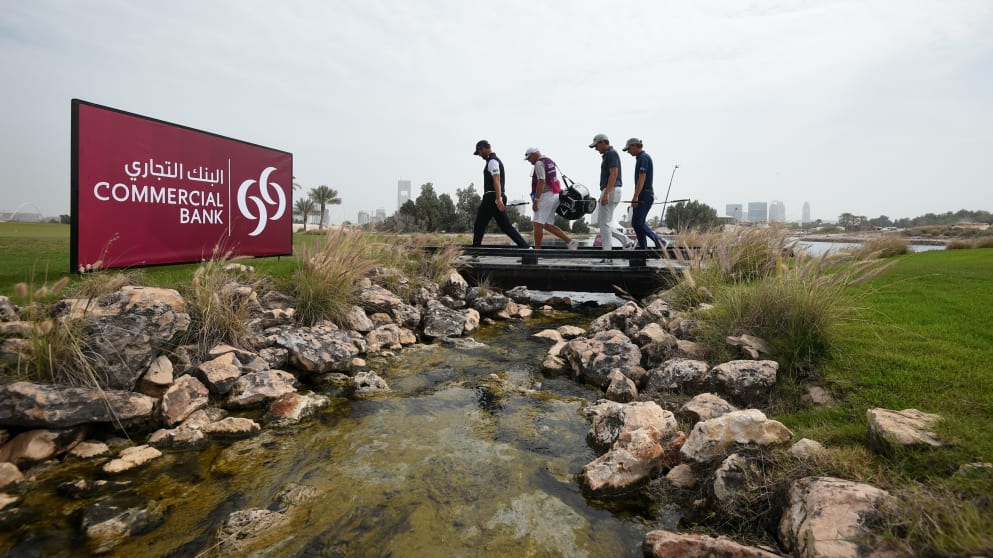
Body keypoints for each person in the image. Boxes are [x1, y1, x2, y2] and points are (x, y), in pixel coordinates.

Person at [471, 140, 530, 248]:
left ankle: (475, 253)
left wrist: (498, 199)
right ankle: (527, 249)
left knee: (479, 225)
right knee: (506, 226)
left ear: (483, 148)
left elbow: (496, 180)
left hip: (492, 197)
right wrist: (499, 198)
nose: (479, 155)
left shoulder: (492, 161)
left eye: (479, 152)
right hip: (497, 196)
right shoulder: (493, 160)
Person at [589, 133, 633, 263]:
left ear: (603, 142)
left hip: (611, 189)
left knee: (604, 224)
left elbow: (613, 174)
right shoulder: (609, 154)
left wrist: (606, 193)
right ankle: (627, 242)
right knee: (605, 224)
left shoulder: (611, 154)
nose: (596, 149)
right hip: (612, 190)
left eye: (596, 145)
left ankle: (608, 256)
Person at [525, 147, 579, 250]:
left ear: (533, 154)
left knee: (537, 225)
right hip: (555, 195)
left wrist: (536, 200)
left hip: (545, 196)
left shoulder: (539, 163)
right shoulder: (549, 161)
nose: (529, 161)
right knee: (547, 225)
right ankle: (570, 242)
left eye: (529, 158)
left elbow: (542, 181)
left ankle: (537, 252)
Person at [623, 138, 664, 249]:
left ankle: (660, 242)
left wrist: (635, 196)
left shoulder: (643, 158)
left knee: (639, 223)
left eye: (629, 149)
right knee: (636, 223)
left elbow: (642, 177)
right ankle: (643, 247)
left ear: (635, 146)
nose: (628, 151)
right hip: (642, 194)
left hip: (645, 195)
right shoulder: (640, 158)